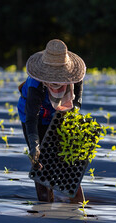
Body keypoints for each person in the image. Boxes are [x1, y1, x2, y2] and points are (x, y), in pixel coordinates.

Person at [17, 39, 86, 203]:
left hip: (59, 113)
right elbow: (31, 117)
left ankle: (75, 197)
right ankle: (44, 201)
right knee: (40, 162)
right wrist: (34, 144)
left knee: (66, 157)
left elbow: (77, 101)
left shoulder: (74, 77)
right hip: (35, 116)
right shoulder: (36, 85)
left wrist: (71, 117)